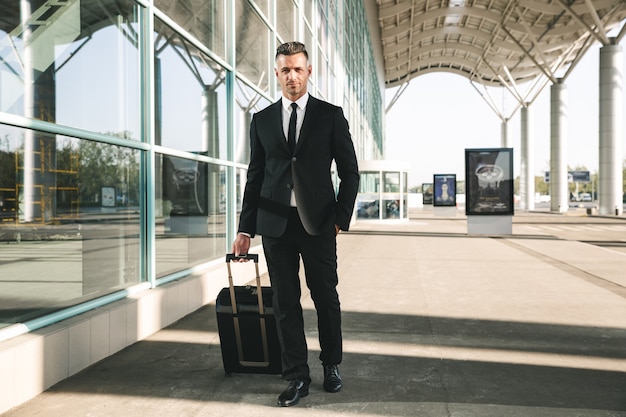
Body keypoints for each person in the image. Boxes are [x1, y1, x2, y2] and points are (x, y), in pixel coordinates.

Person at [231, 41, 359, 407]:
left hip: (318, 225)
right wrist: (245, 229)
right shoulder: (263, 120)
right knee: (285, 303)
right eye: (285, 70)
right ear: (277, 74)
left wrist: (339, 219)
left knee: (325, 298)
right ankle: (296, 377)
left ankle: (331, 364)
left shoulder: (330, 115)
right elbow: (255, 178)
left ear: (309, 72)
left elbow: (350, 173)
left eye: (298, 69)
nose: (292, 76)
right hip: (275, 226)